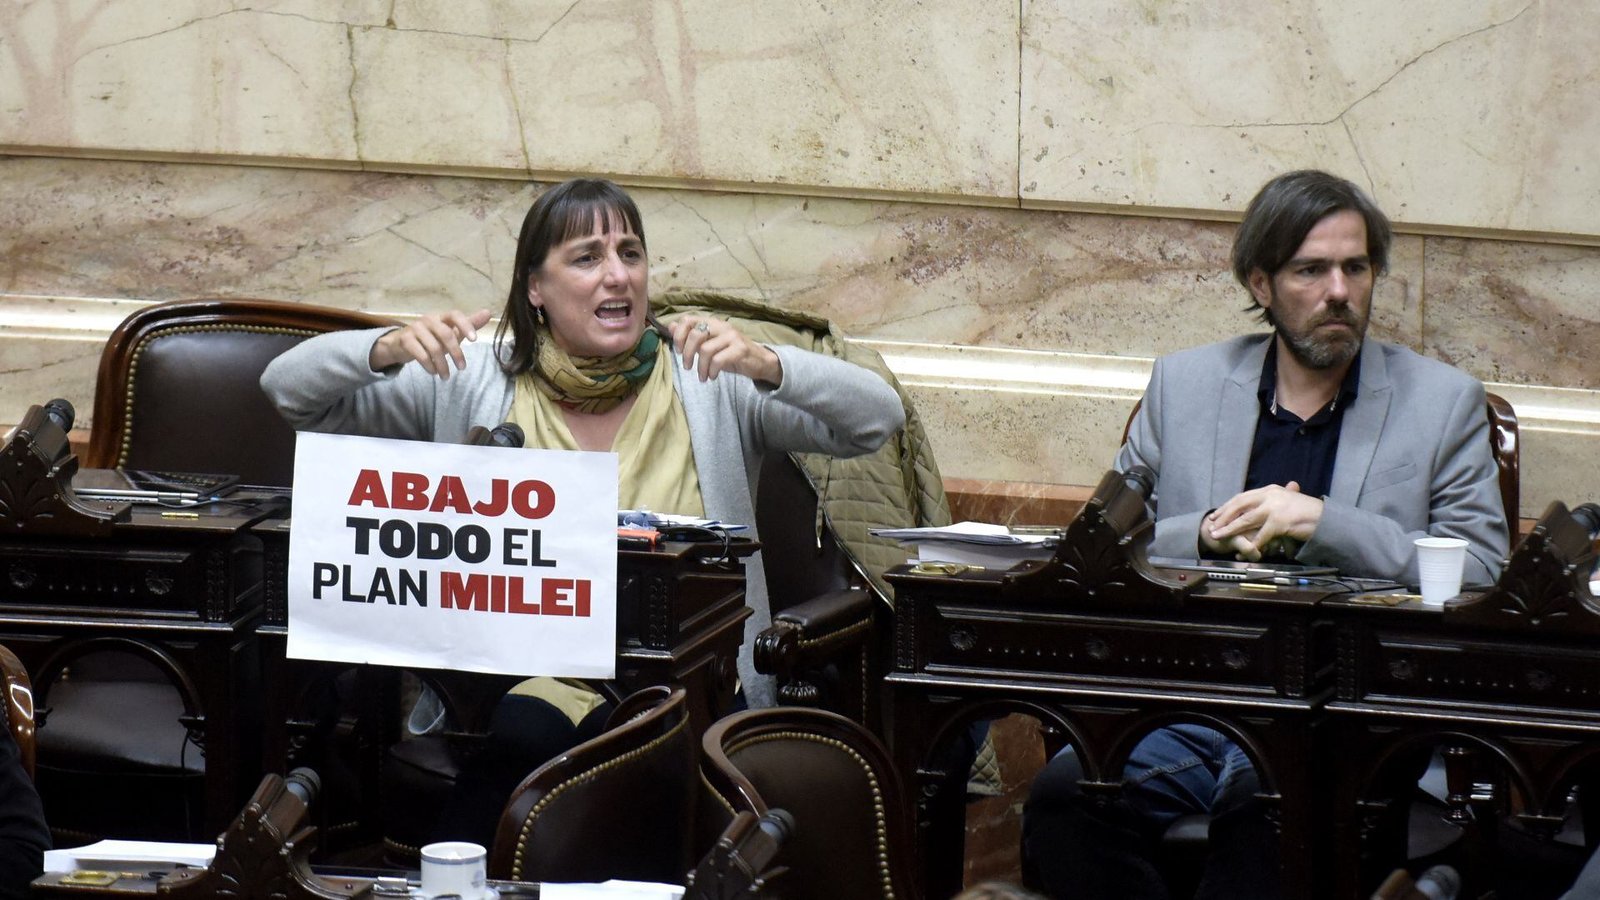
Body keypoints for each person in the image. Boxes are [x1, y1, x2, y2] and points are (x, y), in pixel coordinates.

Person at [260, 176, 904, 838]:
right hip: (516, 684)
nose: (617, 275)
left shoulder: (709, 379)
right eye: (587, 258)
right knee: (527, 733)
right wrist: (382, 348)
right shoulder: (473, 378)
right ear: (535, 288)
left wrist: (768, 364)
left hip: (690, 679)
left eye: (630, 253)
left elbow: (875, 420)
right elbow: (289, 392)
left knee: (627, 742)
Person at [1022, 169, 1510, 899]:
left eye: (1356, 268)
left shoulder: (1442, 403)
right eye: (1311, 271)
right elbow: (1095, 551)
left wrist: (1324, 523)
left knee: (1270, 802)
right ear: (1262, 283)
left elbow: (1483, 566)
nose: (1339, 291)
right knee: (1067, 797)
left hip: (1348, 714)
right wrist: (1208, 533)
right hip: (1197, 703)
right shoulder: (1184, 386)